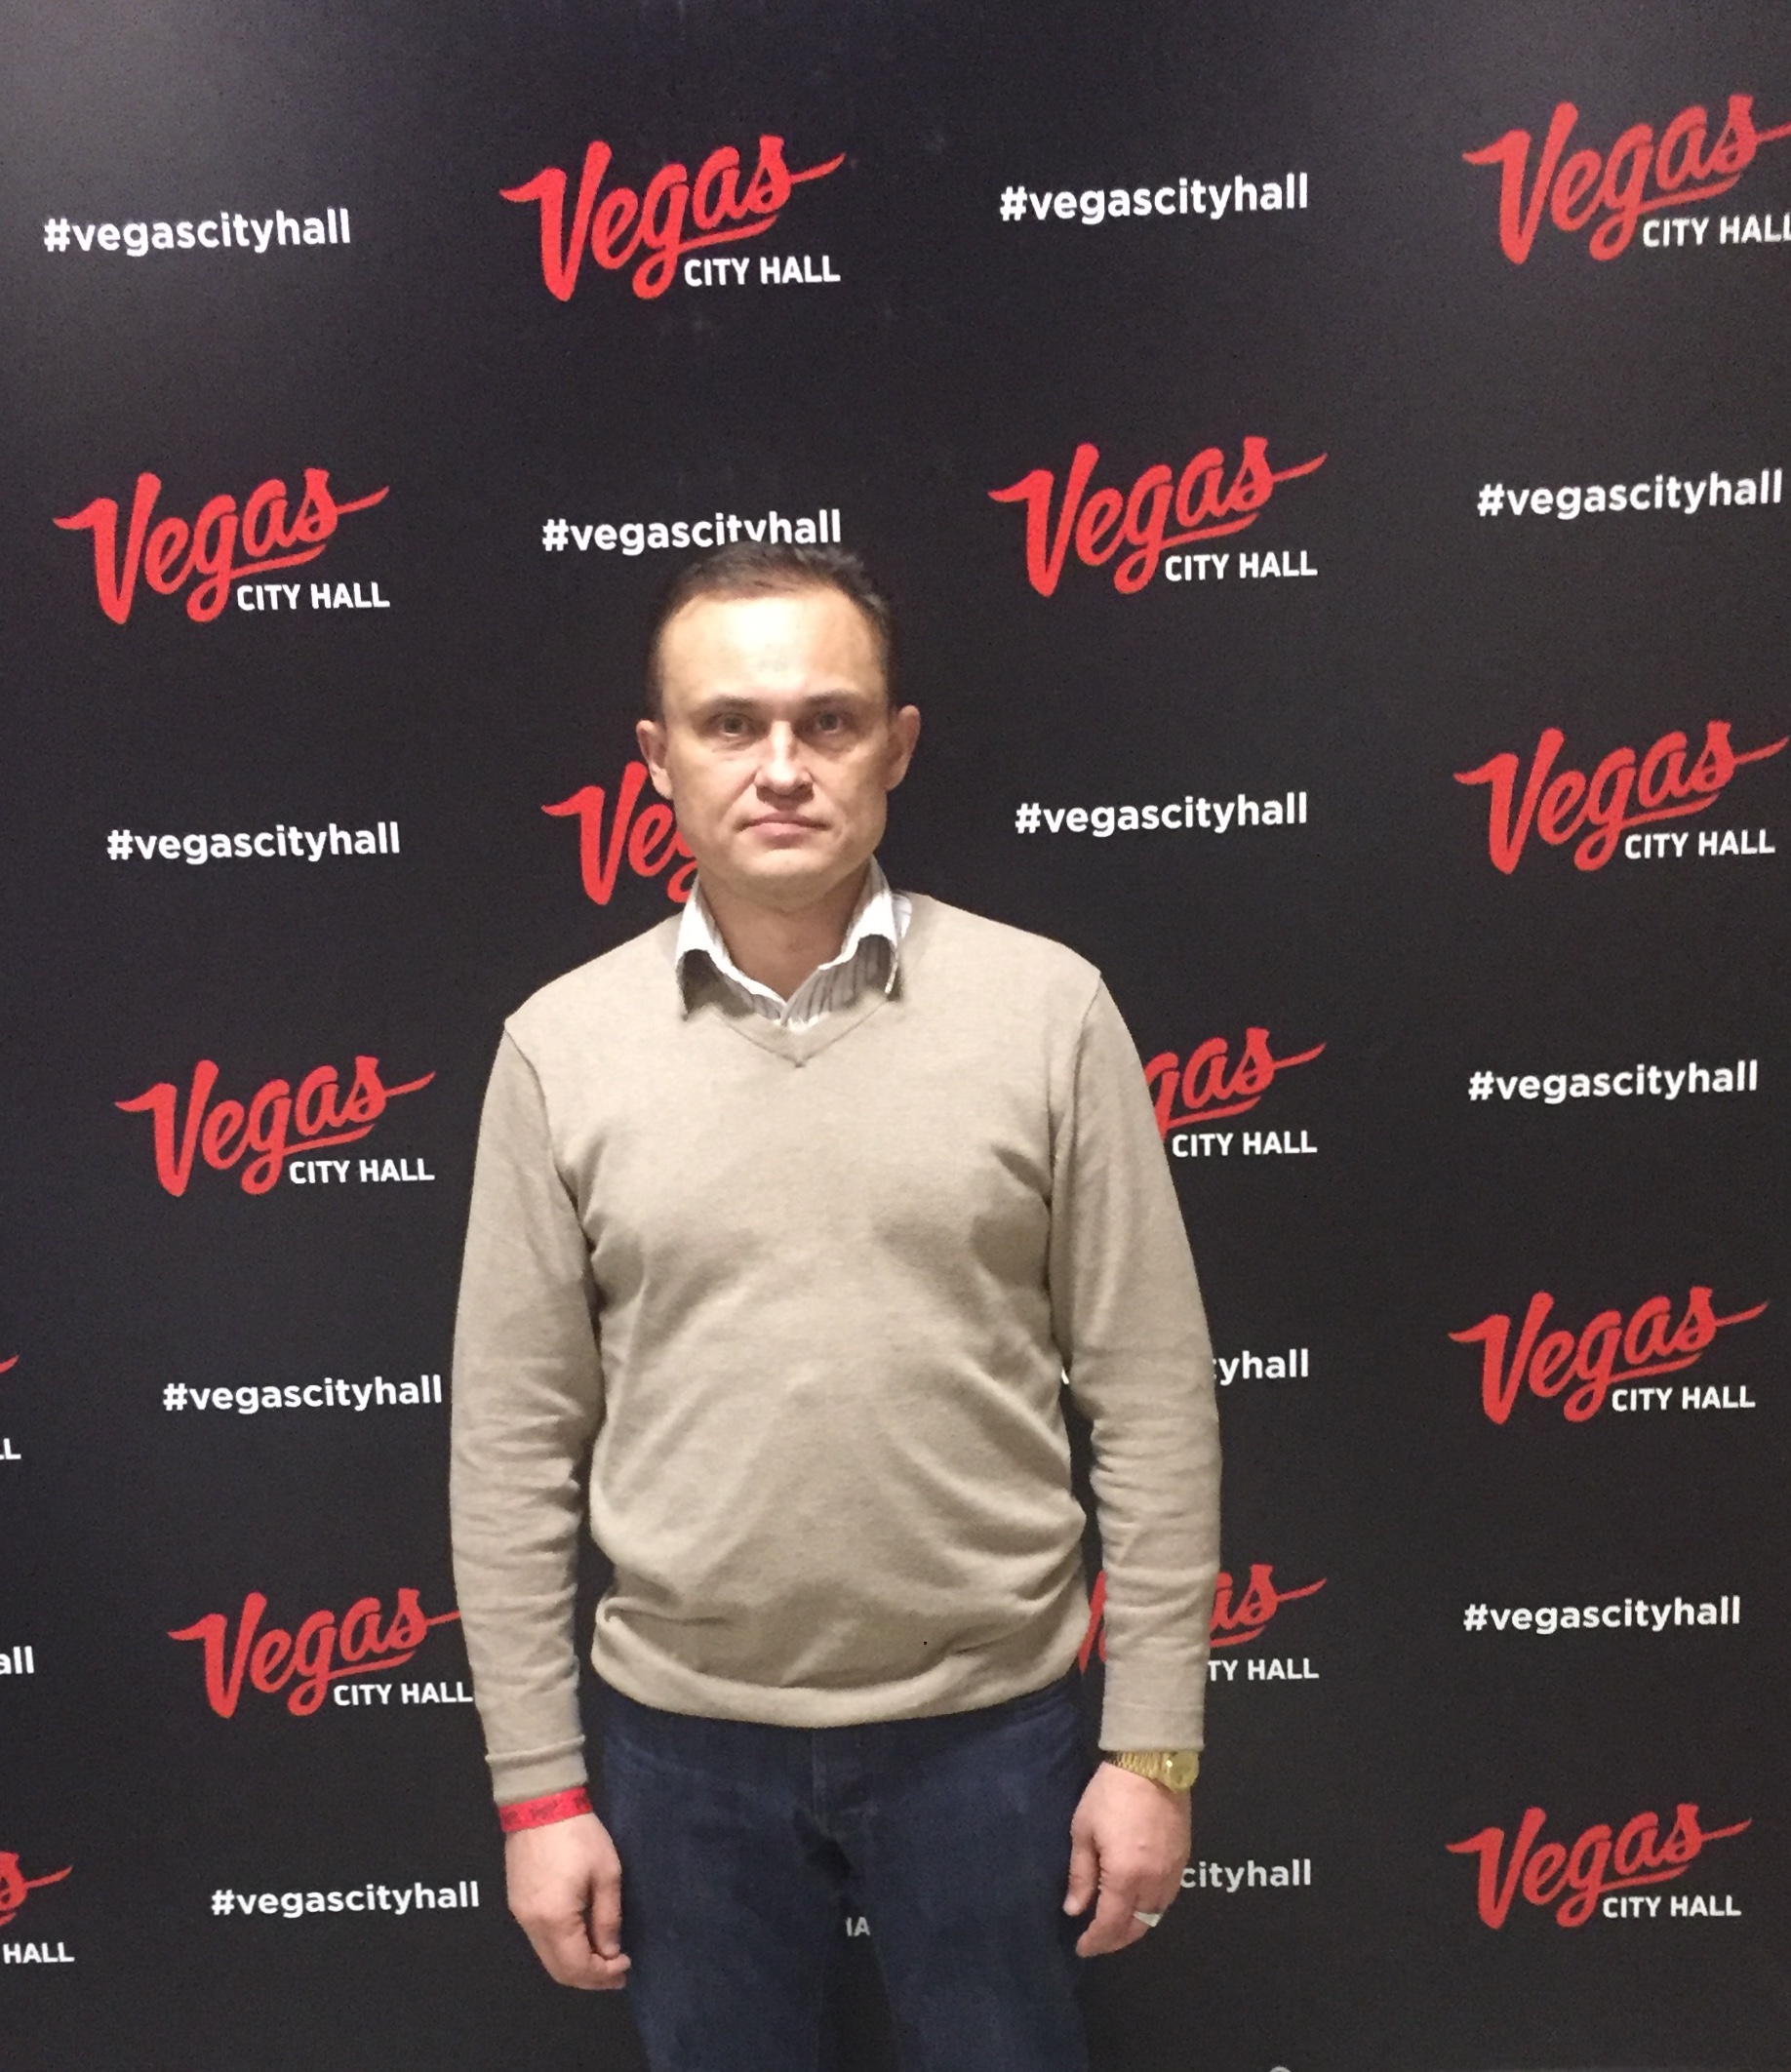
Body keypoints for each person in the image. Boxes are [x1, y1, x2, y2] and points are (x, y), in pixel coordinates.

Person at [451, 543, 1219, 2072]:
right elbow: (513, 1444)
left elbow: (1151, 1397)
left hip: (995, 1736)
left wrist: (1154, 1748)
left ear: (898, 745)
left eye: (830, 720)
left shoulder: (1047, 1011)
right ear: (658, 758)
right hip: (680, 1753)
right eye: (731, 724)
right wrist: (538, 1791)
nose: (783, 766)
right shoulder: (559, 1047)